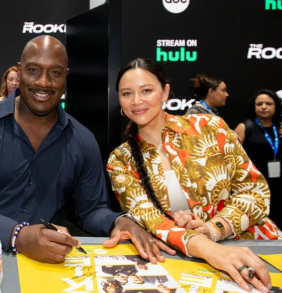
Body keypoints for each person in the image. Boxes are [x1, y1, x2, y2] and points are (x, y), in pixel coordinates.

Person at [0, 36, 176, 264]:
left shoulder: (82, 140)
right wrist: (17, 235)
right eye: (33, 70)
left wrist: (120, 222)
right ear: (19, 73)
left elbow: (91, 210)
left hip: (48, 263)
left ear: (65, 76)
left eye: (55, 73)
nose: (44, 82)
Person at [107, 58, 280, 293]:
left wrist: (213, 229)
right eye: (127, 93)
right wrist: (209, 248)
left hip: (257, 245)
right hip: (189, 261)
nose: (136, 101)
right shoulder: (120, 160)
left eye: (146, 90)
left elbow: (255, 192)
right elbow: (152, 221)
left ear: (165, 92)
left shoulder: (211, 127)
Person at [234, 89, 282, 225]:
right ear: (253, 107)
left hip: (279, 185)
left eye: (268, 103)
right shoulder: (245, 127)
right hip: (257, 186)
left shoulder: (280, 127)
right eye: (259, 104)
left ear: (276, 106)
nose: (264, 107)